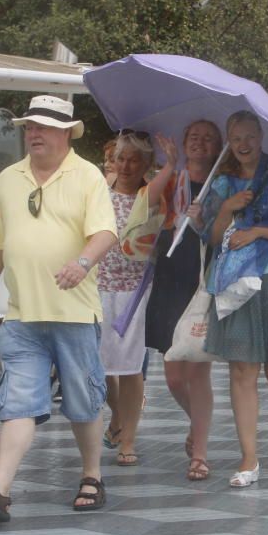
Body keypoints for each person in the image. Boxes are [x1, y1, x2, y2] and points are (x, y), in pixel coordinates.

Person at [0, 95, 118, 522]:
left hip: (74, 313)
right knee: (18, 400)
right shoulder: (6, 180)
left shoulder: (87, 177)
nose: (34, 133)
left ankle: (92, 475)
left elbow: (105, 232)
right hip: (22, 313)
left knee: (83, 400)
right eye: (30, 126)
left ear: (67, 133)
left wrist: (83, 262)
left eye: (44, 127)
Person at [197, 110, 268, 489]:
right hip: (236, 281)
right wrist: (227, 210)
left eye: (249, 136)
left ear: (261, 136)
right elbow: (214, 239)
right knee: (242, 370)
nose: (243, 144)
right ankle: (249, 458)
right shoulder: (223, 185)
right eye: (236, 138)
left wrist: (259, 230)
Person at [147, 118, 223, 481]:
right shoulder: (174, 179)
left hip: (203, 277)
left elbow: (229, 229)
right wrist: (168, 164)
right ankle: (198, 422)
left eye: (208, 139)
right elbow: (146, 202)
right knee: (174, 377)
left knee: (197, 370)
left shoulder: (222, 185)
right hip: (170, 274)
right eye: (194, 137)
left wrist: (204, 219)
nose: (200, 143)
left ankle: (201, 452)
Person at [97, 131, 174, 468]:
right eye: (121, 158)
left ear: (146, 164)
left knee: (129, 369)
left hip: (134, 292)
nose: (126, 165)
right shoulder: (96, 192)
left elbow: (155, 191)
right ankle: (117, 416)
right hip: (94, 288)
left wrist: (171, 163)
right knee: (97, 369)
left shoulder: (150, 195)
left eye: (135, 159)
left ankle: (127, 440)